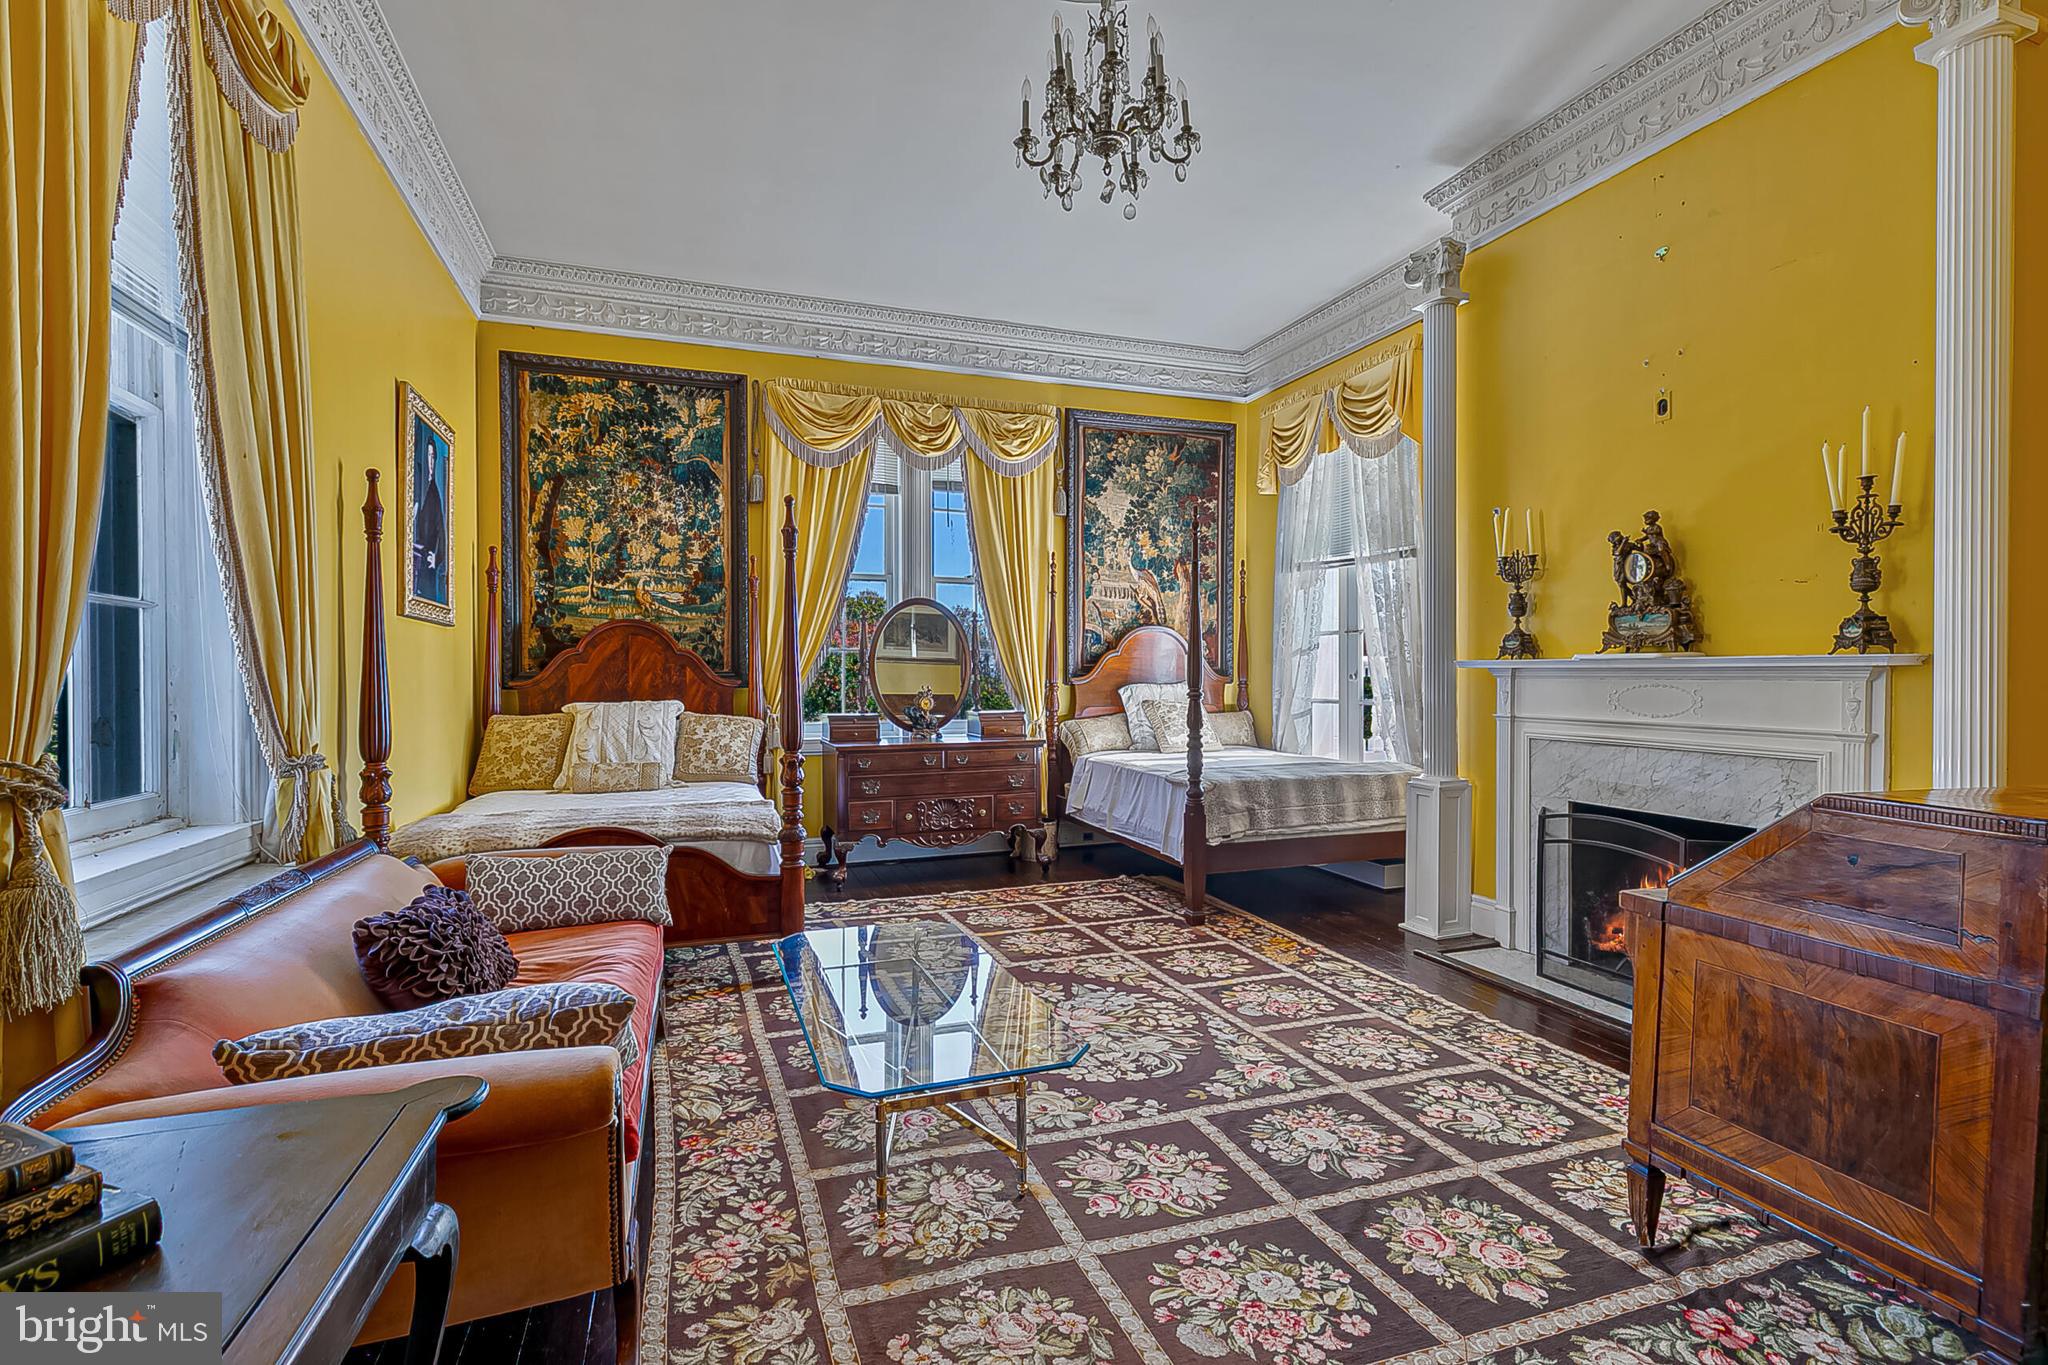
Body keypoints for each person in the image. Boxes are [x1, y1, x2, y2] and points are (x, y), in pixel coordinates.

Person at [413, 434, 448, 604]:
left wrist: (437, 556)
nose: (431, 461)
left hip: (429, 560)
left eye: (433, 457)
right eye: (429, 456)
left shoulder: (434, 491)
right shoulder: (418, 483)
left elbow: (440, 529)